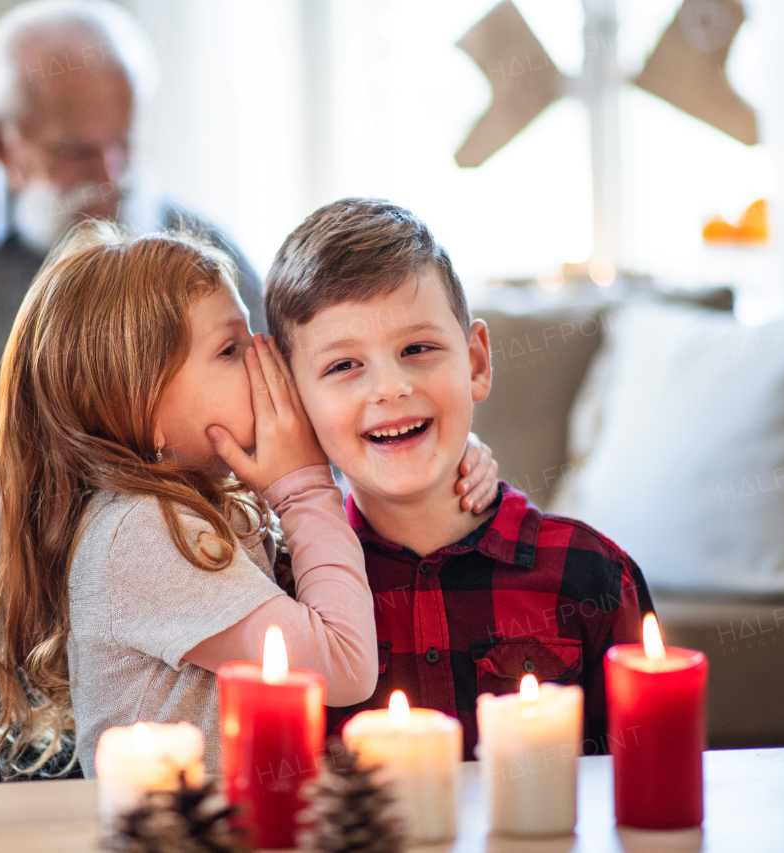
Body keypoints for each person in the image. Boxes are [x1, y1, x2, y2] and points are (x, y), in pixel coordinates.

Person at [0, 0, 268, 783]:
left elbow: (279, 397)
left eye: (124, 144)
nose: (112, 178)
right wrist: (20, 522)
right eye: (78, 151)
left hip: (176, 532)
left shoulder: (192, 244)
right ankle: (18, 817)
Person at [0, 224, 381, 780]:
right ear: (138, 407)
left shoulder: (197, 504)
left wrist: (456, 465)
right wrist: (306, 487)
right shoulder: (142, 531)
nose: (267, 360)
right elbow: (345, 665)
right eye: (232, 349)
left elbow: (331, 570)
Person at [261, 198, 654, 758]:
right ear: (294, 399)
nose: (390, 388)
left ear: (475, 362)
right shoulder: (287, 594)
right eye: (343, 365)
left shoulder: (593, 576)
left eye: (417, 349)